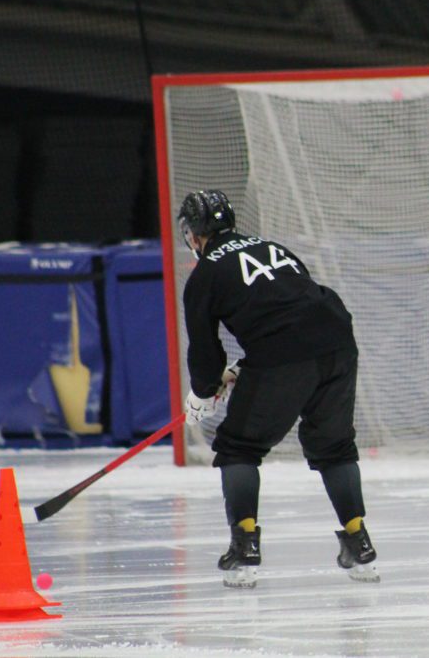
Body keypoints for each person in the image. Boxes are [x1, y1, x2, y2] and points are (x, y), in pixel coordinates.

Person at [177, 189, 378, 587]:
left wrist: (202, 393)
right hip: (337, 341)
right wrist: (242, 367)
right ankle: (359, 544)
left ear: (194, 233)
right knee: (334, 447)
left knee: (238, 448)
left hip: (286, 355)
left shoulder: (204, 275)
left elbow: (204, 349)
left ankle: (245, 549)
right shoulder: (272, 246)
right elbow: (294, 312)